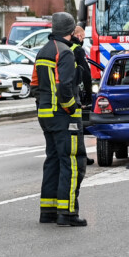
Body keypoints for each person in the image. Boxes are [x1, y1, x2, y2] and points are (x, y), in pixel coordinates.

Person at [35, 12, 87, 227]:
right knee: (73, 162)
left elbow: (34, 86)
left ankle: (48, 211)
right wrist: (72, 107)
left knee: (53, 161)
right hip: (64, 117)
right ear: (70, 30)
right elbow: (65, 86)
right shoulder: (64, 53)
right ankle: (67, 213)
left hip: (46, 115)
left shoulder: (42, 51)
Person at [71, 25, 96, 165]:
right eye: (84, 37)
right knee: (77, 127)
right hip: (75, 93)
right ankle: (81, 157)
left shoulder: (61, 48)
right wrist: (88, 94)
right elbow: (86, 74)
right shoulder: (77, 50)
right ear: (79, 36)